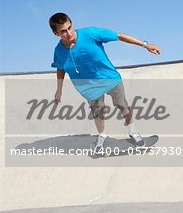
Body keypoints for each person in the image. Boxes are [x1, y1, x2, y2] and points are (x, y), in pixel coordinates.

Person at [49, 12, 160, 154]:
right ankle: (102, 135)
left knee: (122, 105)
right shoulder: (58, 51)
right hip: (88, 87)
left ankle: (132, 131)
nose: (69, 33)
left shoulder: (90, 34)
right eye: (63, 31)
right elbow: (60, 68)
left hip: (109, 78)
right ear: (55, 33)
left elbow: (118, 36)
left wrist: (145, 45)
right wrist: (59, 90)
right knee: (98, 114)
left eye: (70, 28)